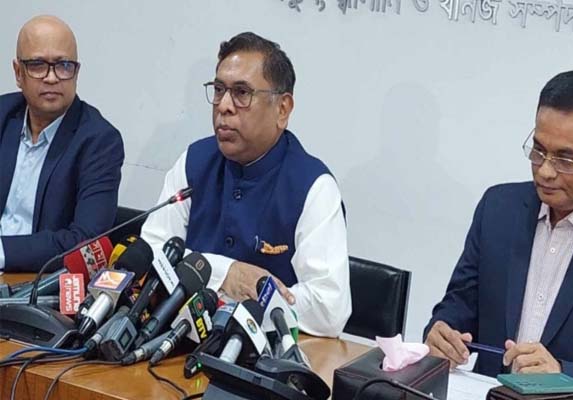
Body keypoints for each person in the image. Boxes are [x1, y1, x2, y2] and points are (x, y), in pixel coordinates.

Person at [141, 32, 351, 337]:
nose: (224, 106)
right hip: (180, 340)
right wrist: (224, 274)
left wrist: (244, 302)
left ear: (282, 109)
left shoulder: (313, 186)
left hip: (265, 355)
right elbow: (151, 253)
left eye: (241, 93)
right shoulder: (194, 161)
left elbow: (329, 309)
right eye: (219, 90)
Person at [424, 70, 573, 398]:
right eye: (538, 151)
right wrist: (442, 332)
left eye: (565, 159)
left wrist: (562, 374)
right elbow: (460, 303)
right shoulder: (498, 209)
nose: (545, 170)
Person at [0, 15, 124, 272]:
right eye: (37, 65)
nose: (52, 77)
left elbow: (85, 242)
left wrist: (2, 252)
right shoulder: (3, 114)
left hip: (35, 283)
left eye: (64, 65)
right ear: (18, 73)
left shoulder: (99, 141)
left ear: (76, 72)